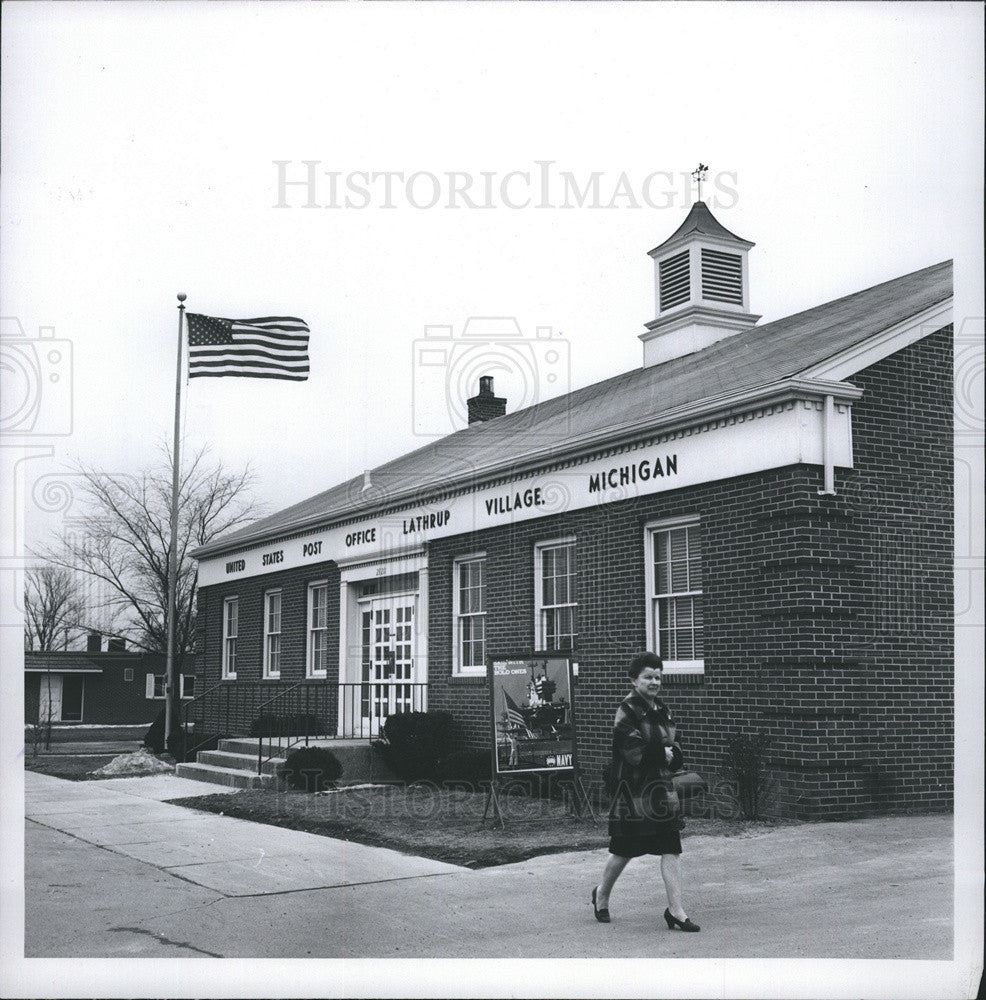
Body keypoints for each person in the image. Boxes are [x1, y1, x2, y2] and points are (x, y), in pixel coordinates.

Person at [591, 651, 700, 931]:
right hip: (634, 793)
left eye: (657, 677)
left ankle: (675, 911)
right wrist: (661, 751)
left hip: (662, 792)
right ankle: (601, 894)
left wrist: (672, 754)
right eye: (648, 677)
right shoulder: (626, 711)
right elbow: (632, 752)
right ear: (634, 680)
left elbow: (676, 746)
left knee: (671, 848)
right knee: (623, 851)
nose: (654, 682)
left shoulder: (662, 709)